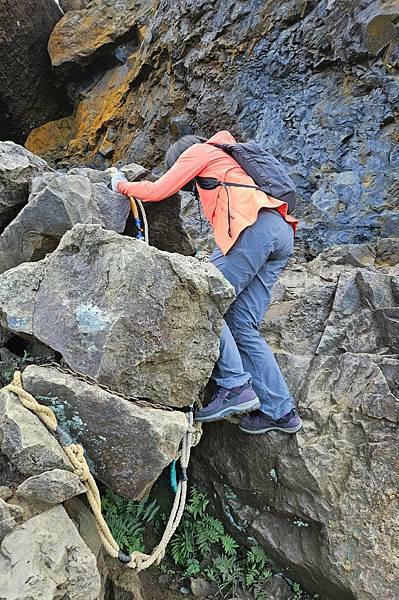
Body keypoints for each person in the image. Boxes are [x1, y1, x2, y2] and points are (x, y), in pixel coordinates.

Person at [111, 130, 302, 435]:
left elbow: (159, 189)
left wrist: (120, 185)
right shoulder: (229, 160)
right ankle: (280, 412)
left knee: (204, 300)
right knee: (241, 325)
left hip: (253, 228)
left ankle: (235, 385)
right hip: (280, 232)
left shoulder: (199, 152)